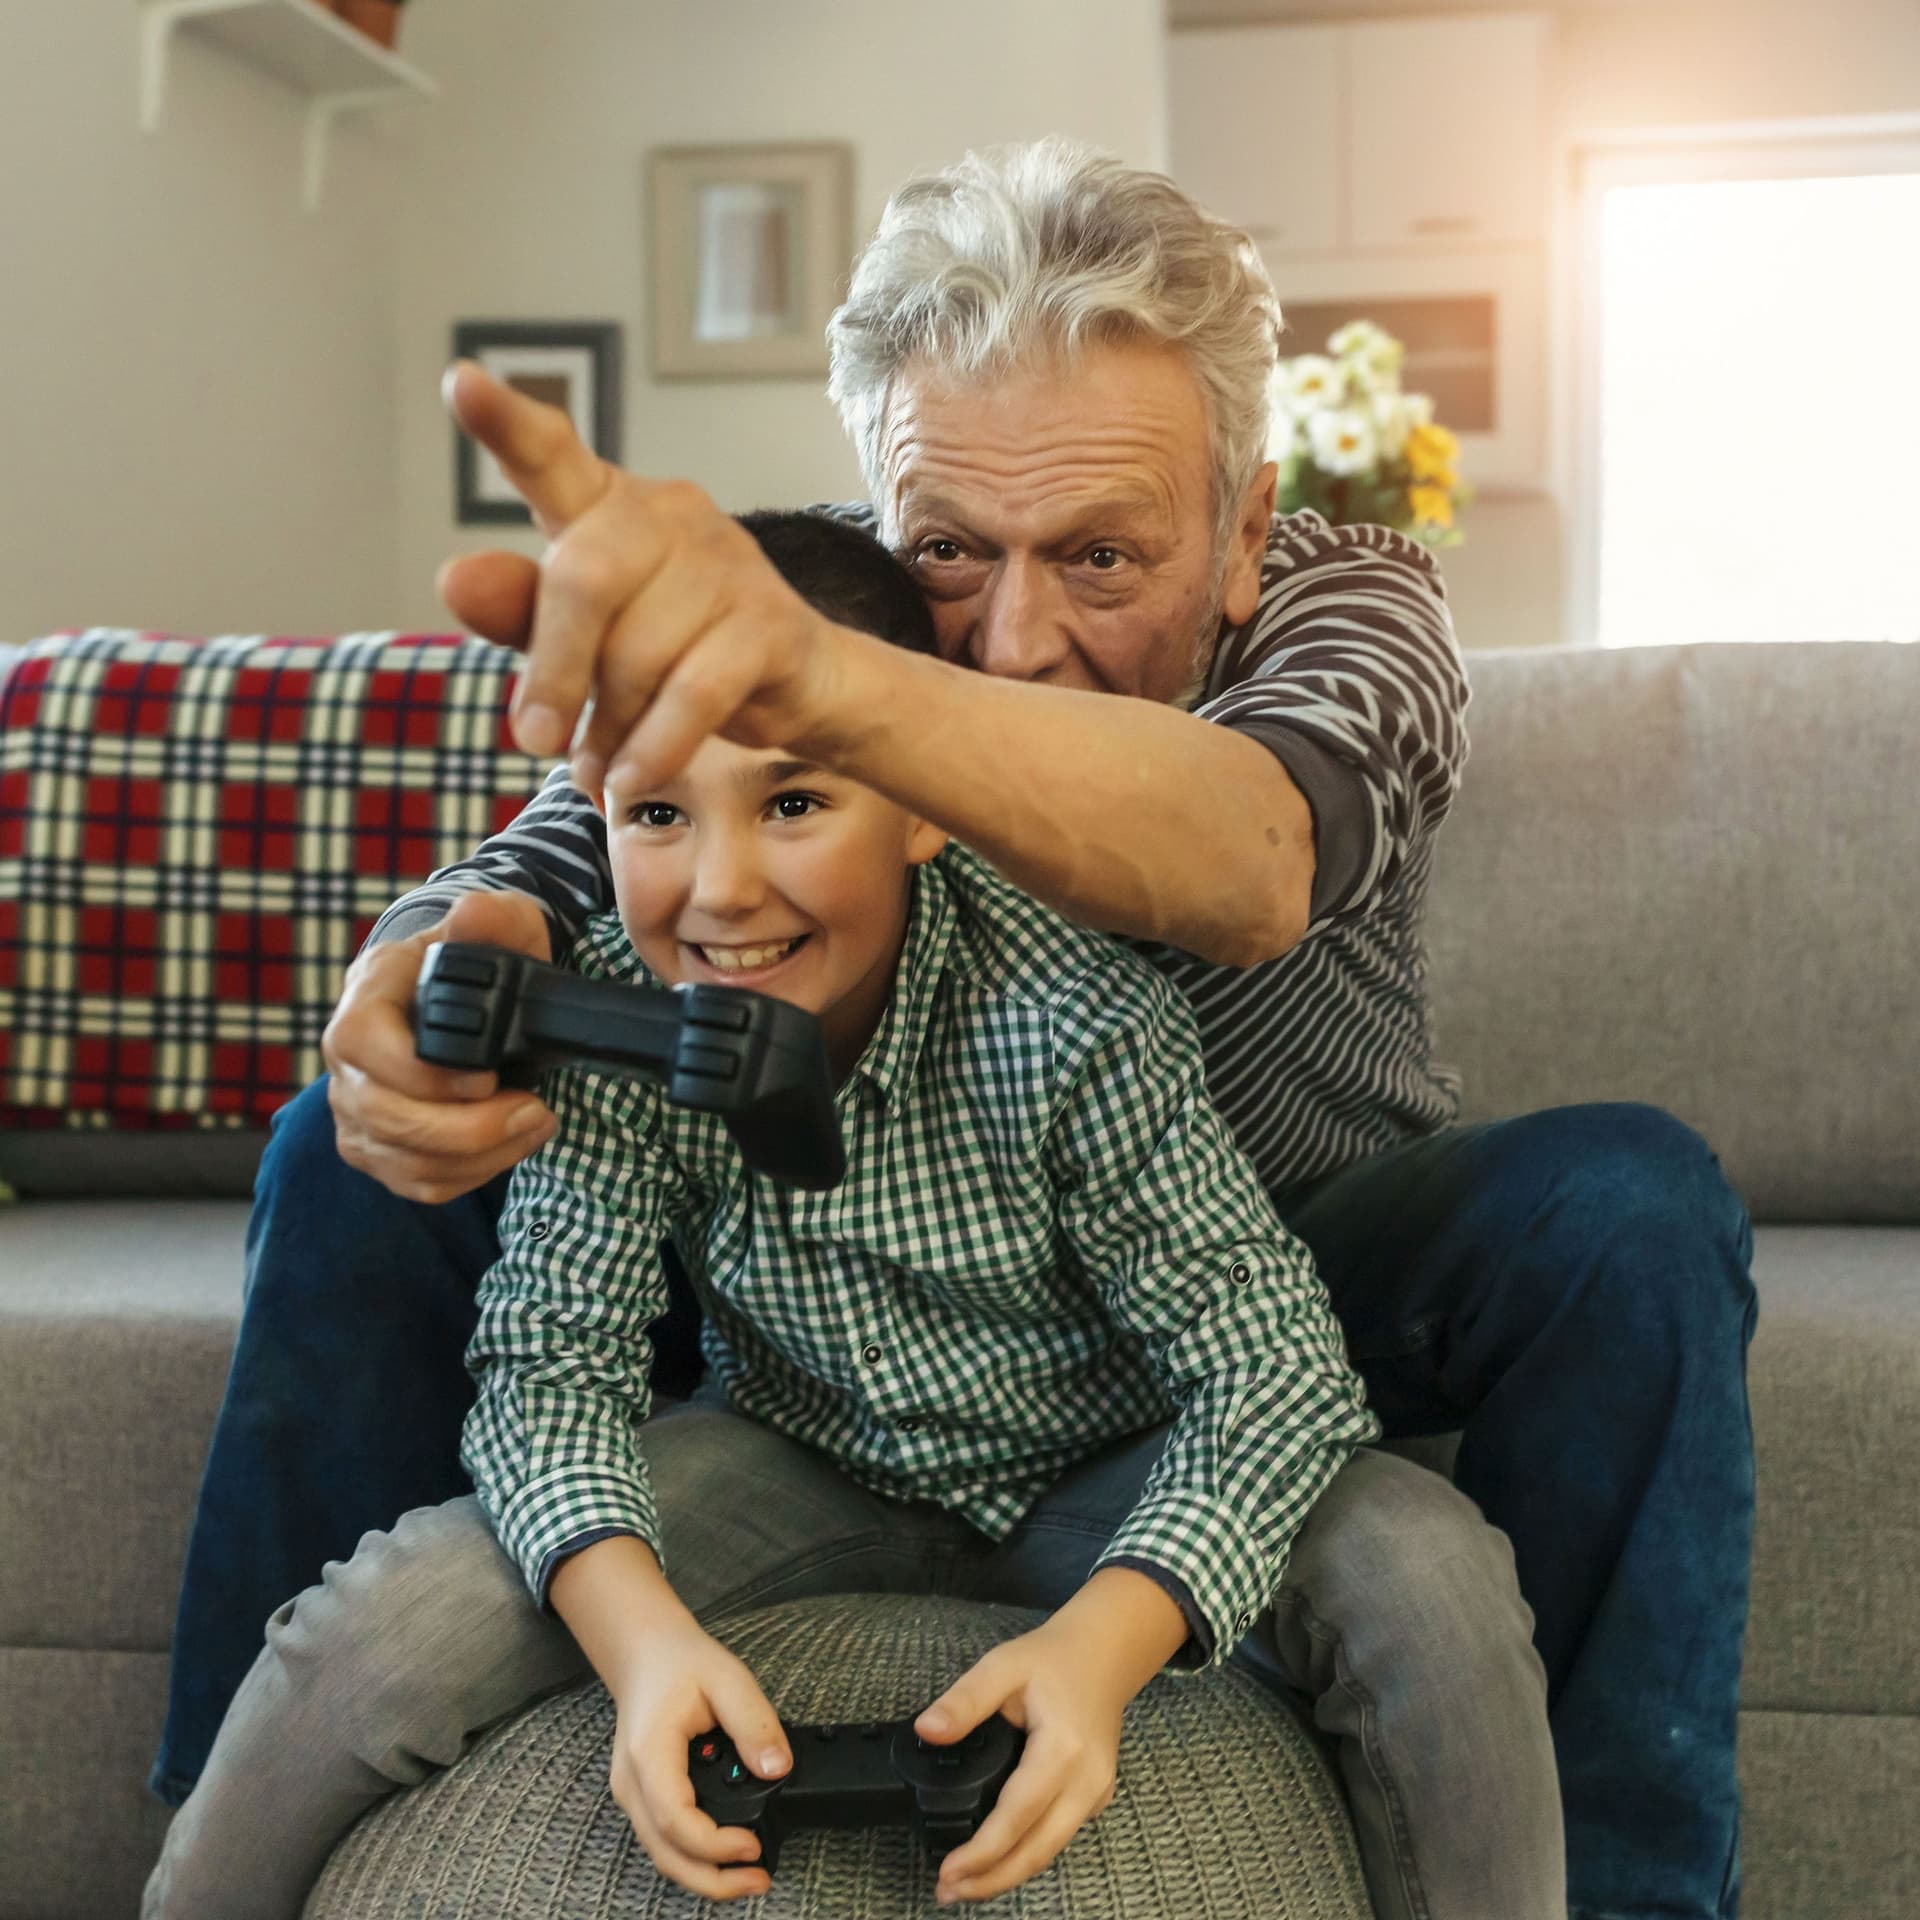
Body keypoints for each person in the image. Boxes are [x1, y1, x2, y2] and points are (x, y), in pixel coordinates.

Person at [153, 140, 1757, 1920]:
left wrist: (846, 691)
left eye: (1101, 556)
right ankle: (213, 1829)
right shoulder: (825, 612)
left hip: (1277, 1259)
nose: (1007, 642)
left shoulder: (1352, 604)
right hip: (826, 1280)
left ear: (1240, 529)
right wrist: (436, 984)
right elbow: (588, 850)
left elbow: (1248, 855)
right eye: (947, 552)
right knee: (343, 1145)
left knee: (1632, 1207)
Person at [142, 512, 1562, 1919]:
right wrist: (641, 1649)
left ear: (930, 802)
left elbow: (1275, 1376)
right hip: (789, 1453)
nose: (721, 890)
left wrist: (1101, 1649)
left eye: (796, 803)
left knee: (1431, 1576)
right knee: (369, 1639)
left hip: (1106, 1465)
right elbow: (549, 1368)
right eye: (655, 813)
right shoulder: (622, 1010)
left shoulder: (1072, 1009)